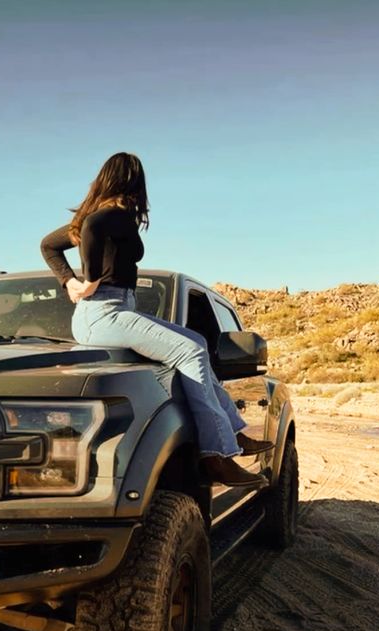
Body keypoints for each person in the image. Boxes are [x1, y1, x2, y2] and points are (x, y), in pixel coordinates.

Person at [40, 151, 272, 488]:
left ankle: (232, 433)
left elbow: (49, 245)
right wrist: (83, 280)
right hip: (102, 312)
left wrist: (71, 279)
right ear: (133, 182)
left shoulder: (110, 217)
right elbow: (83, 232)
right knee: (189, 352)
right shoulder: (103, 216)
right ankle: (215, 455)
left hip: (115, 310)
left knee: (198, 343)